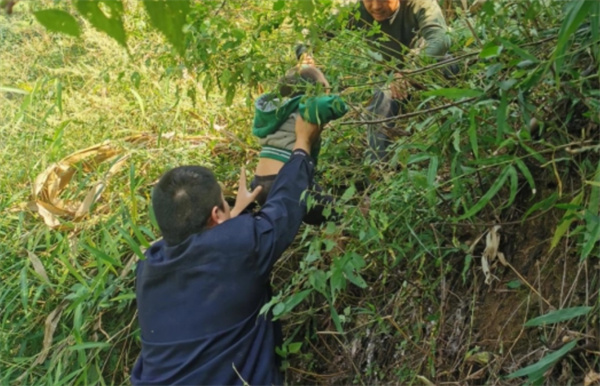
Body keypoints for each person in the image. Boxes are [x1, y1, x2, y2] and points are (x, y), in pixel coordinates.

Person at [131, 116, 323, 385]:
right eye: (224, 202)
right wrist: (302, 143)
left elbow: (205, 249)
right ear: (215, 216)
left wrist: (231, 215)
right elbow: (285, 207)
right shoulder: (240, 248)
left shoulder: (147, 269)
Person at [350, 0, 452, 161]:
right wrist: (305, 54)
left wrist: (412, 69)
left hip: (426, 68)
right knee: (382, 98)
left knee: (450, 64)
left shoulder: (420, 4)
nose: (376, 6)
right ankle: (376, 167)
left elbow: (441, 40)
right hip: (392, 81)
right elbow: (320, 33)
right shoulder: (357, 11)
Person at [251, 64, 348, 224]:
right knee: (333, 213)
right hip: (284, 180)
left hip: (260, 181)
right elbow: (334, 106)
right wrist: (342, 103)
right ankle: (340, 237)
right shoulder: (306, 106)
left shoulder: (277, 111)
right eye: (326, 88)